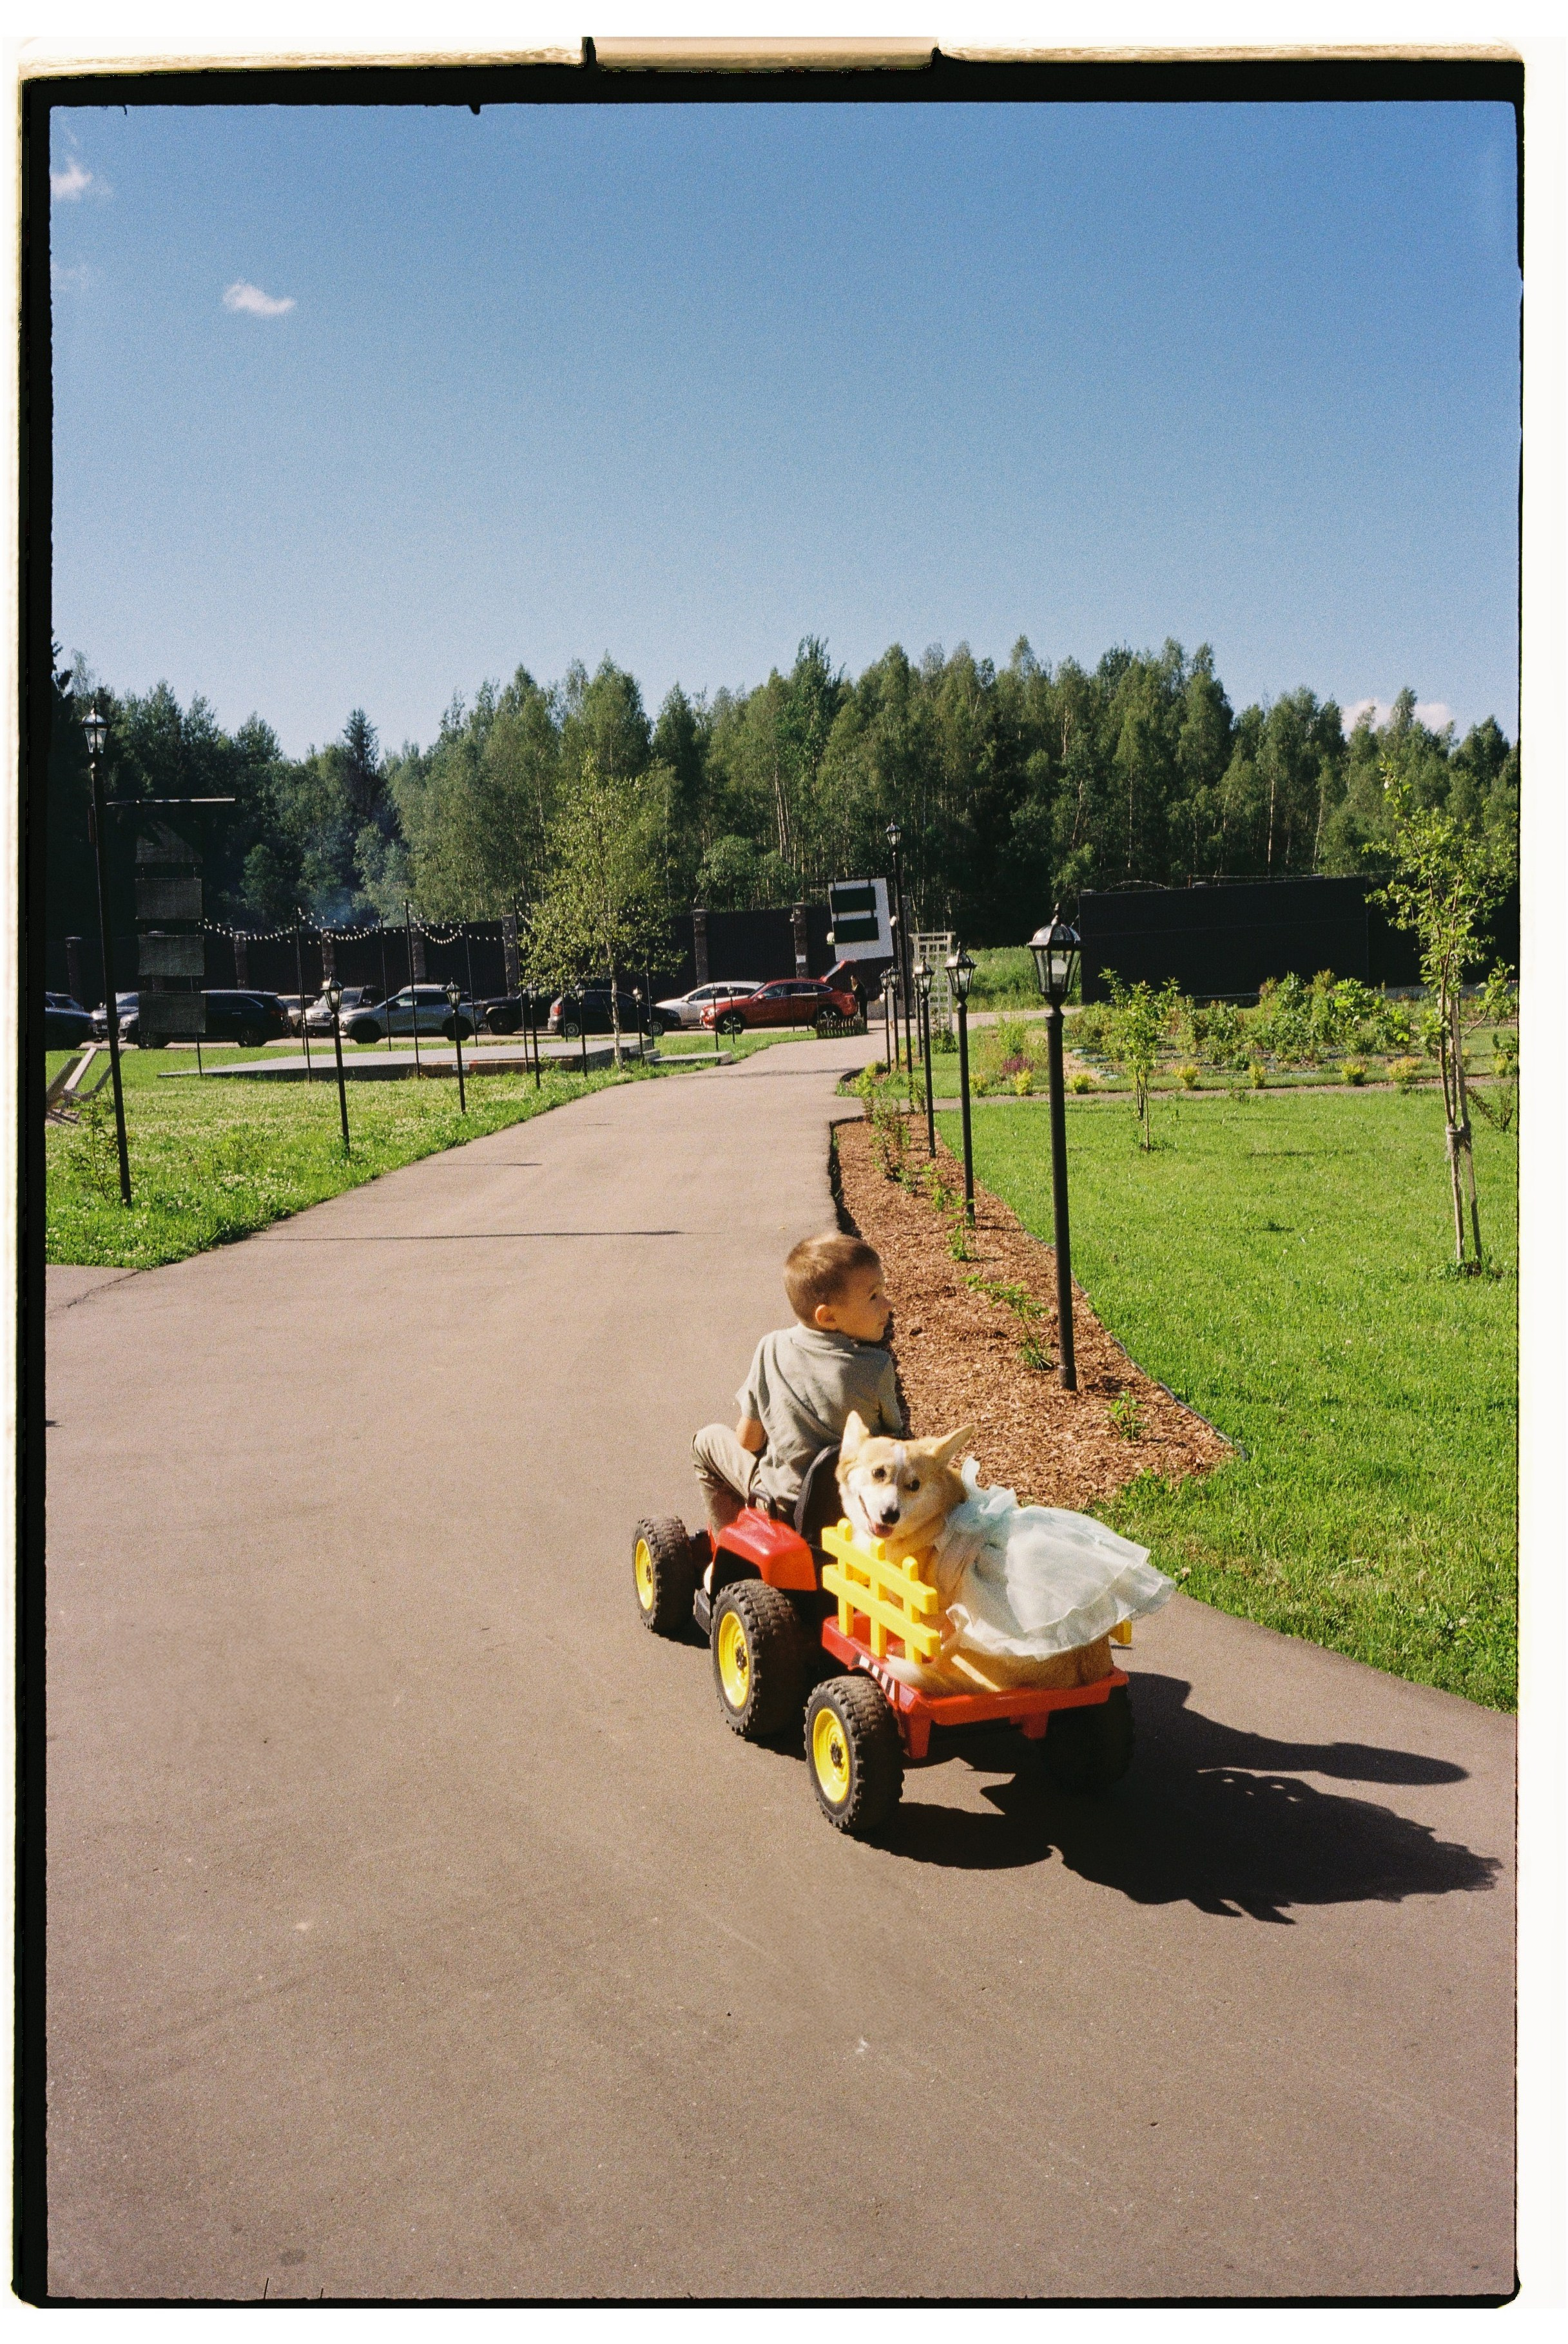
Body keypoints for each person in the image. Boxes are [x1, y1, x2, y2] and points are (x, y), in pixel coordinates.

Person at [692, 1233, 904, 1535]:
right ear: (828, 1316)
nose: (888, 1304)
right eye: (874, 1296)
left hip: (784, 1506)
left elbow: (748, 1441)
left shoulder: (770, 1348)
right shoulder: (876, 1368)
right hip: (853, 1503)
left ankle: (727, 1539)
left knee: (706, 1441)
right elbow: (893, 1440)